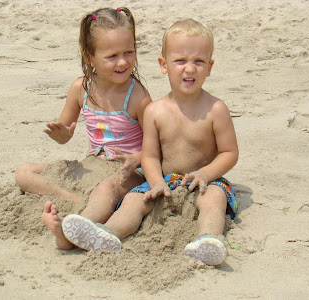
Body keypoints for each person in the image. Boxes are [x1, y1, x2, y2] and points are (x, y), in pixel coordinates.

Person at [62, 19, 239, 266]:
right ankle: (109, 233)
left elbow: (230, 152)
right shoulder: (155, 110)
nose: (190, 69)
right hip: (164, 181)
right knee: (134, 201)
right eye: (180, 61)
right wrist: (155, 181)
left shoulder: (216, 110)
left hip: (204, 181)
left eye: (198, 61)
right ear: (163, 65)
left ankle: (208, 238)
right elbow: (150, 156)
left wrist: (206, 173)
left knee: (214, 199)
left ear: (209, 67)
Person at [15, 7, 152, 251]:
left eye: (129, 52)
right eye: (112, 56)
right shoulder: (81, 88)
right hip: (90, 165)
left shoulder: (138, 97)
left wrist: (137, 158)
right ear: (90, 57)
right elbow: (65, 131)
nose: (123, 61)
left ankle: (75, 230)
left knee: (106, 189)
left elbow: (158, 145)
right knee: (24, 172)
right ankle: (76, 200)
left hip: (127, 171)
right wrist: (63, 136)